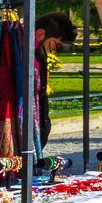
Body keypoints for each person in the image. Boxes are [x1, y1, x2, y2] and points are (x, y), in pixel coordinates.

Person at [32, 12, 76, 148]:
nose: (55, 51)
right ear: (40, 34)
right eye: (56, 45)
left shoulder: (38, 56)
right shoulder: (29, 56)